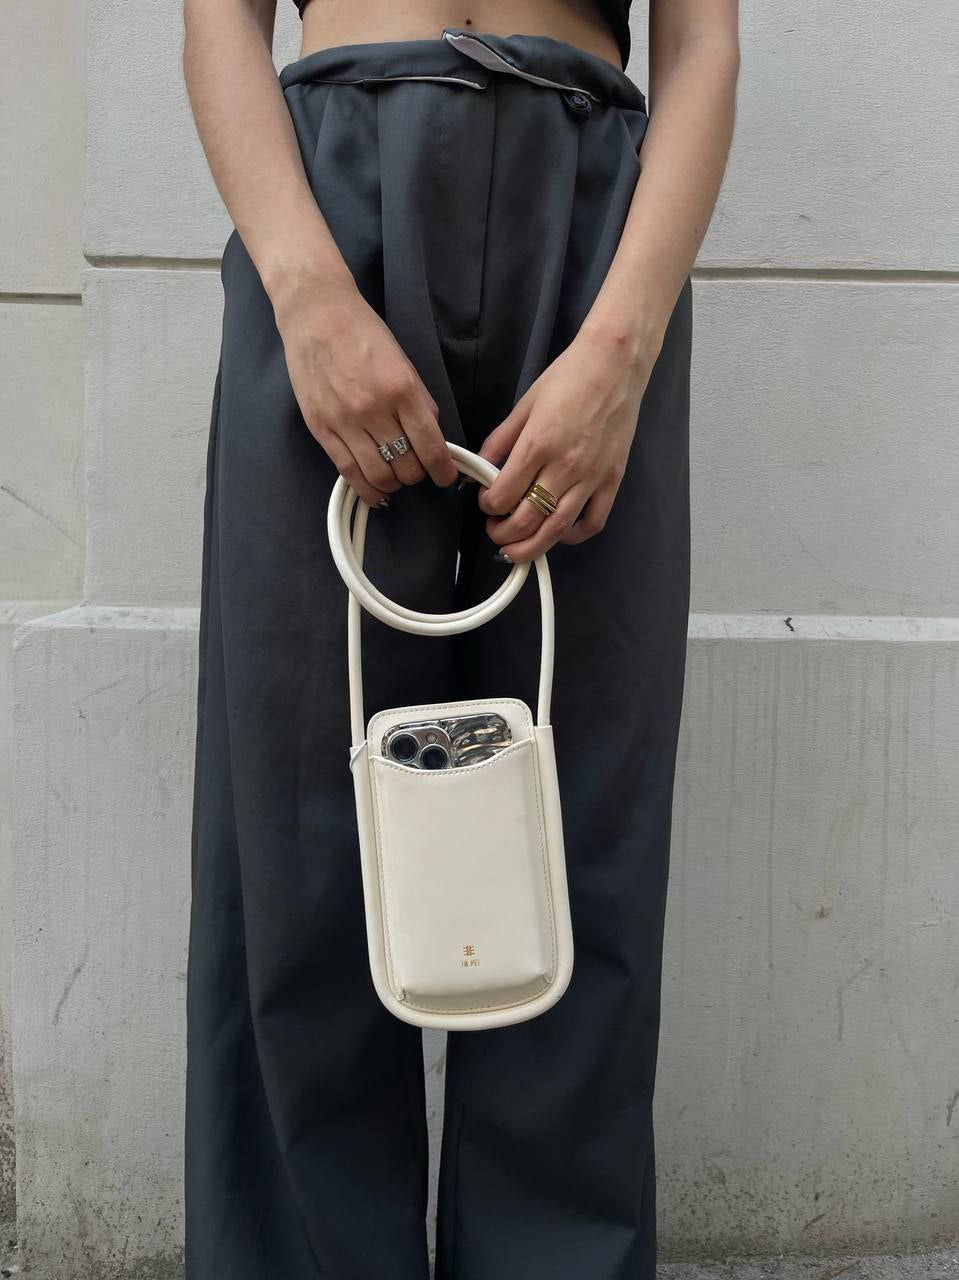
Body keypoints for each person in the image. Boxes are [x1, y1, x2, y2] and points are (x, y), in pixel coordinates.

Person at [181, 0, 739, 1276]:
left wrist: (622, 345)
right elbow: (219, 21)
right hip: (327, 205)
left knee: (577, 827)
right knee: (298, 832)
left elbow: (703, 40)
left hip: (593, 235)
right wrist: (306, 294)